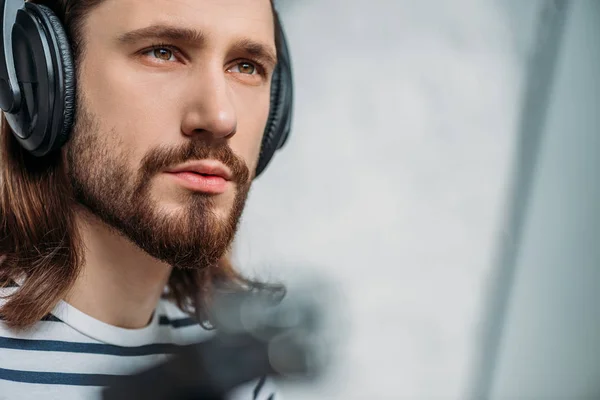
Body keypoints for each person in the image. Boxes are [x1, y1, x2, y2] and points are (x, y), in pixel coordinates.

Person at [0, 0, 293, 398]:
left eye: (246, 65)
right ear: (45, 82)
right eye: (162, 52)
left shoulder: (238, 368)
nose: (221, 118)